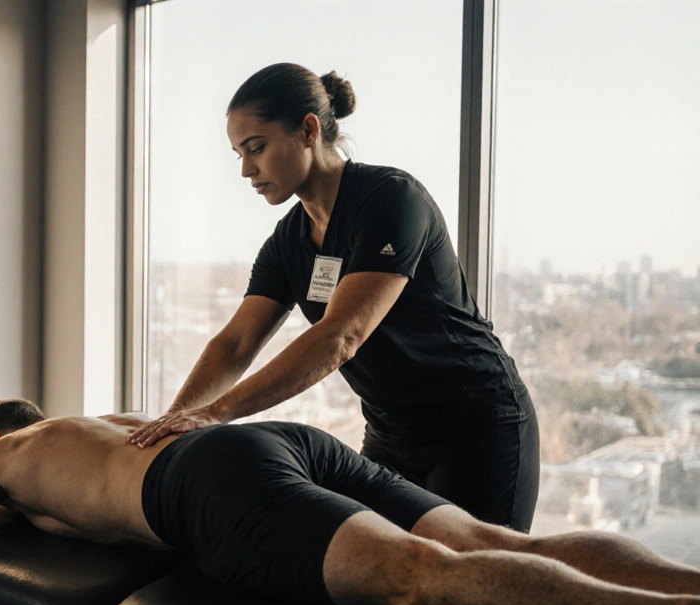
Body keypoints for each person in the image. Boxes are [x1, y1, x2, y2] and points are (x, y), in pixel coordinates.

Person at [0, 399, 700, 605]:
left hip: (209, 487)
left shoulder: (6, 456)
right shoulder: (88, 421)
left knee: (420, 581)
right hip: (274, 440)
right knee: (494, 540)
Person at [127, 63, 539, 532]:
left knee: (476, 589)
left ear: (308, 129)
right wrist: (175, 422)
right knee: (384, 585)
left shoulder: (390, 200)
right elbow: (236, 343)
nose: (246, 170)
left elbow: (342, 336)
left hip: (478, 427)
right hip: (391, 433)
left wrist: (217, 414)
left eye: (256, 149)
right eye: (239, 154)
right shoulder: (289, 242)